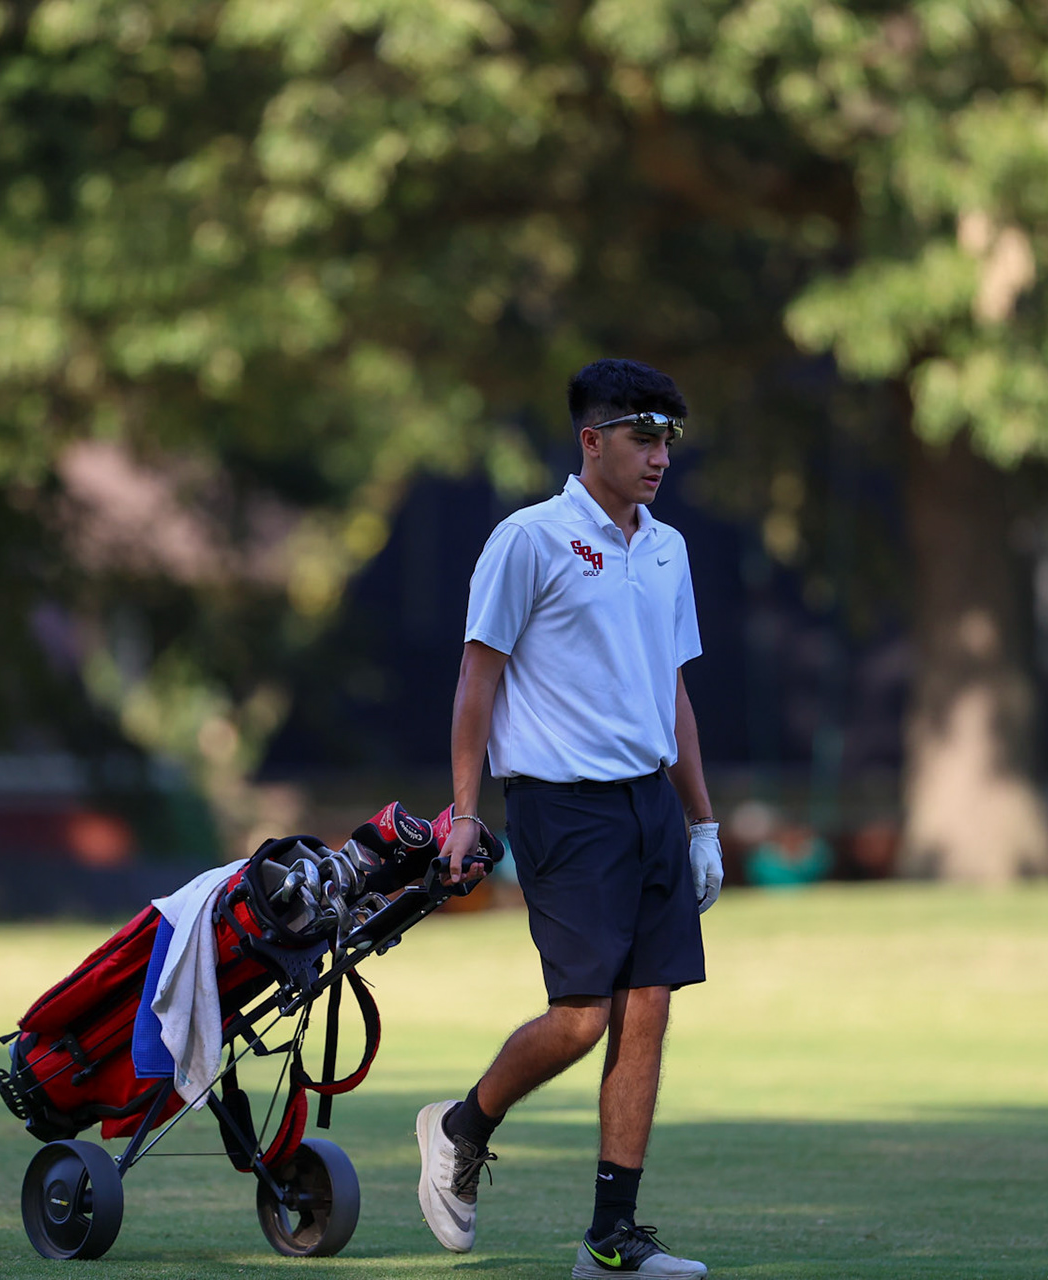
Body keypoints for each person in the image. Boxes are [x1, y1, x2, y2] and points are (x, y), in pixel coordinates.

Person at [417, 358, 723, 1279]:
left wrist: (702, 823)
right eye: (641, 435)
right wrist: (464, 814)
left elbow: (671, 689)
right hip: (561, 805)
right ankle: (461, 1126)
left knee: (648, 1012)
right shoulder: (530, 539)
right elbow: (479, 676)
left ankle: (611, 1241)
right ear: (591, 441)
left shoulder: (666, 548)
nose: (658, 453)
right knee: (583, 1017)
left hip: (649, 807)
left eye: (667, 435)